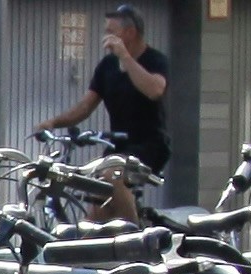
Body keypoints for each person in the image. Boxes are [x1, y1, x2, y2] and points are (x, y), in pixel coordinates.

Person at [39, 4, 174, 210]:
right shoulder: (107, 66)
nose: (106, 37)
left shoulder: (155, 60)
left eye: (111, 32)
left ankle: (138, 238)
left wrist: (126, 58)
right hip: (118, 147)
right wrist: (53, 122)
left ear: (129, 33)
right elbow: (85, 107)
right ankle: (87, 240)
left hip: (150, 146)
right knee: (97, 194)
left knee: (112, 176)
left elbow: (154, 90)